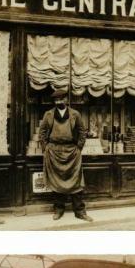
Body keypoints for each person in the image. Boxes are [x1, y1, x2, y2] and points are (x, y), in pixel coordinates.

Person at [38, 89, 92, 222]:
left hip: (72, 151)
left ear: (66, 100)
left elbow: (82, 131)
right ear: (54, 101)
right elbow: (42, 132)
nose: (59, 102)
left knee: (76, 182)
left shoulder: (75, 114)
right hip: (54, 151)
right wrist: (46, 148)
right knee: (57, 183)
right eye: (56, 100)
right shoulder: (48, 114)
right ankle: (58, 210)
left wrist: (79, 147)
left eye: (61, 99)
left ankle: (80, 211)